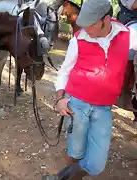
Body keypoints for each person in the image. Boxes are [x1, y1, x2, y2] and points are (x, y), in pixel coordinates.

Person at [41, 0, 137, 180]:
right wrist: (60, 98)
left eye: (90, 25)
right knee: (76, 152)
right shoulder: (79, 38)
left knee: (97, 164)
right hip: (76, 103)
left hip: (103, 108)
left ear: (106, 20)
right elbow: (64, 71)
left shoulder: (128, 35)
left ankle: (60, 177)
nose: (85, 29)